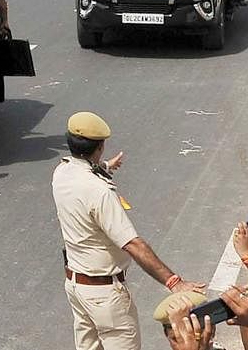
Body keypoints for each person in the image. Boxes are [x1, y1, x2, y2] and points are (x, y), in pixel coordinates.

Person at [52, 112, 205, 350]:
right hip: (104, 296)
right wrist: (174, 282)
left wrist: (105, 166)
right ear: (100, 147)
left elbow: (84, 172)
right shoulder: (100, 192)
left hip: (76, 286)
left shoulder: (61, 173)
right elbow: (133, 244)